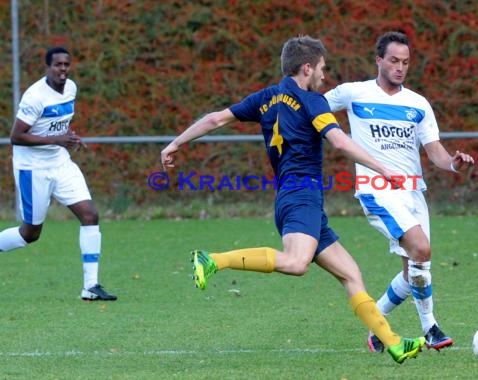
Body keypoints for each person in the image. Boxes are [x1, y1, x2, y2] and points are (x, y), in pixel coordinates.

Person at [161, 36, 425, 364]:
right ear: (307, 68)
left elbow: (216, 118)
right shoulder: (313, 102)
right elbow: (340, 142)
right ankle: (213, 259)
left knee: (351, 275)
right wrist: (382, 168)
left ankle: (393, 343)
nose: (325, 77)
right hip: (301, 196)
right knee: (296, 262)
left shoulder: (266, 98)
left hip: (294, 199)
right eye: (322, 70)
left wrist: (175, 143)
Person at [324, 31, 474, 352]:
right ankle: (431, 328)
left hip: (413, 193)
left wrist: (454, 163)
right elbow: (313, 110)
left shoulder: (417, 104)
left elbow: (434, 151)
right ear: (379, 60)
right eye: (393, 60)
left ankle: (377, 326)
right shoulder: (354, 93)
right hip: (376, 189)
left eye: (405, 62)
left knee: (413, 272)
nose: (400, 68)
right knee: (421, 250)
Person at [0, 47, 117, 301]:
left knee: (90, 214)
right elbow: (16, 137)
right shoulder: (35, 96)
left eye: (66, 64)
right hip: (33, 169)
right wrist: (58, 138)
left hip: (61, 163)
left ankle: (91, 286)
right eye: (57, 65)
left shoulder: (71, 88)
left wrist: (69, 138)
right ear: (47, 67)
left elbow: (58, 125)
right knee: (30, 234)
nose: (63, 69)